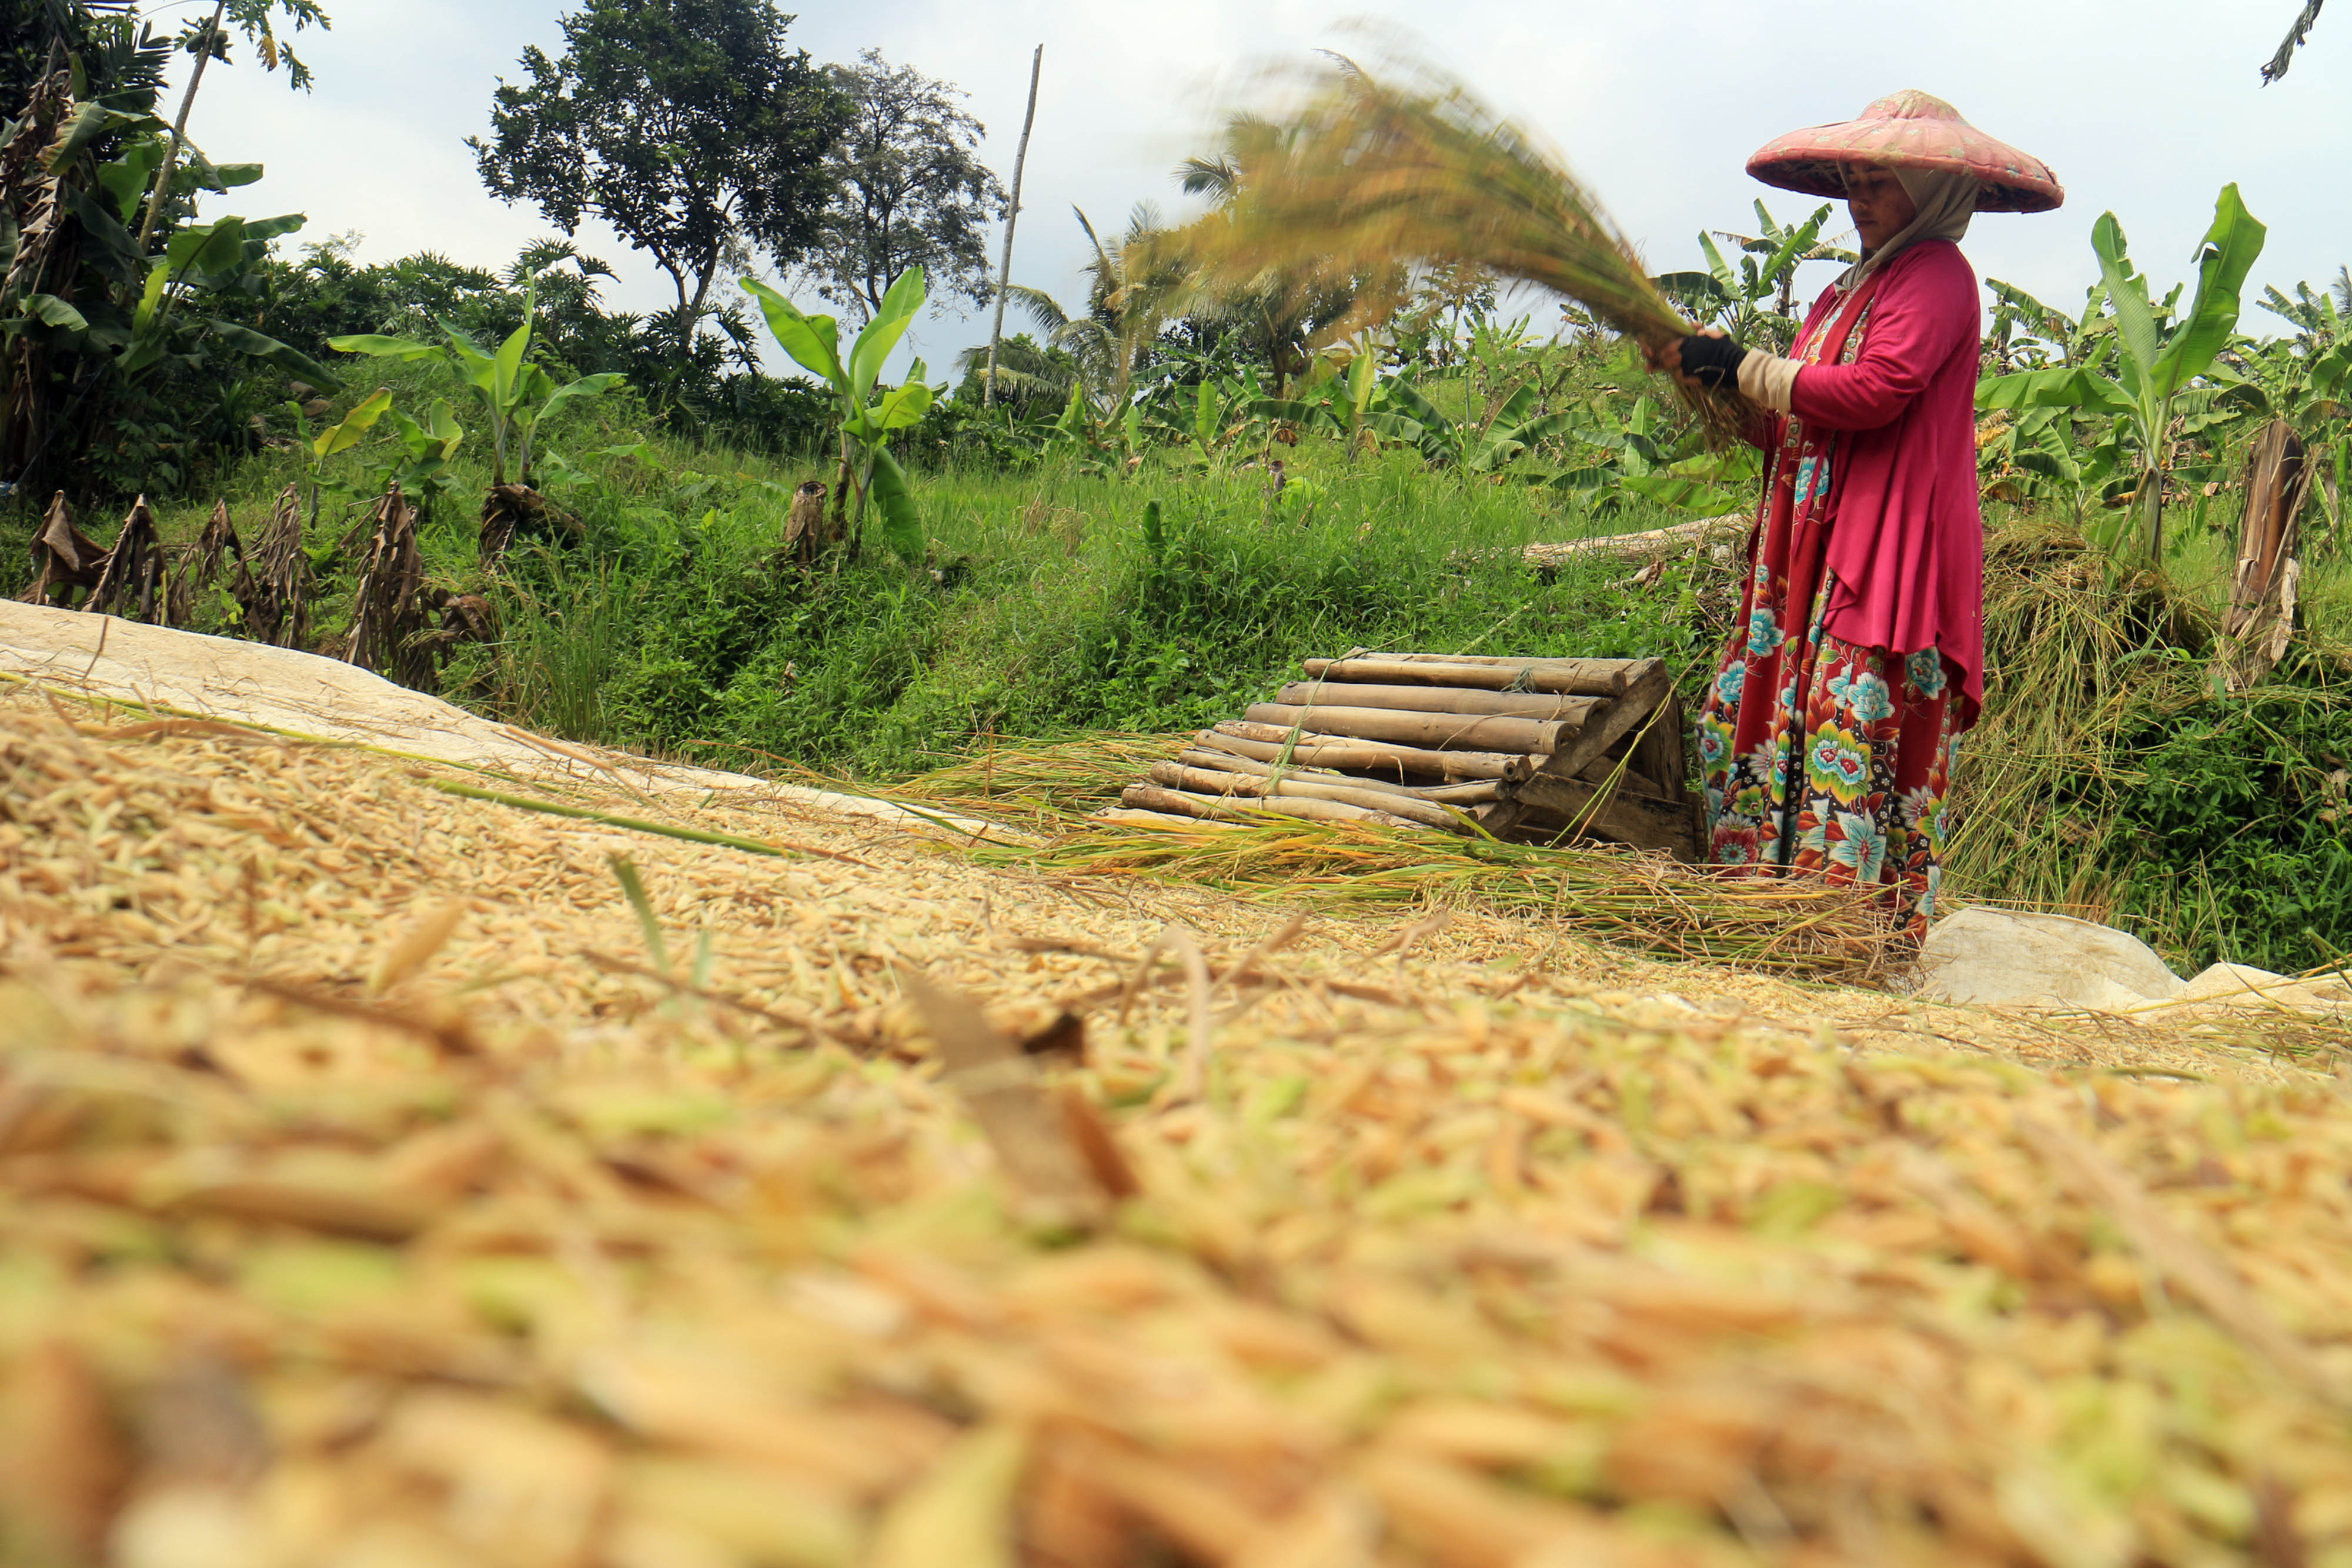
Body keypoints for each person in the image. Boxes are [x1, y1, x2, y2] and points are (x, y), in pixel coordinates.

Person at [1648, 90, 2062, 940]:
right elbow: (1803, 416)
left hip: (1886, 544)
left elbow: (1873, 394)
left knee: (1851, 707)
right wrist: (1714, 376)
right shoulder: (1845, 291)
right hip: (1809, 538)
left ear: (1933, 192)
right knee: (1772, 709)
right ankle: (1766, 903)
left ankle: (1841, 923)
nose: (1856, 201)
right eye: (1851, 182)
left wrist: (1745, 363)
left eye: (1877, 182)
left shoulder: (1938, 276)